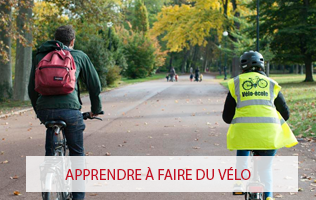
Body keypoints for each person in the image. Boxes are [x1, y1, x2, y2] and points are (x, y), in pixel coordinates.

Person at [28, 25, 102, 200]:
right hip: (71, 112)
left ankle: (48, 172)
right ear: (72, 41)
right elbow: (95, 86)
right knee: (77, 154)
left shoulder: (40, 55)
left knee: (50, 145)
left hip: (45, 111)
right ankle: (78, 197)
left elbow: (31, 89)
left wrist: (38, 111)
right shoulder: (79, 56)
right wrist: (96, 110)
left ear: (55, 39)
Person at [222, 51, 297, 200]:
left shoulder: (236, 83)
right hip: (269, 134)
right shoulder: (270, 84)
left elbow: (227, 117)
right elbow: (286, 114)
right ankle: (268, 196)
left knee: (243, 146)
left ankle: (239, 182)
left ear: (242, 66)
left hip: (244, 132)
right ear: (262, 65)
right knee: (266, 167)